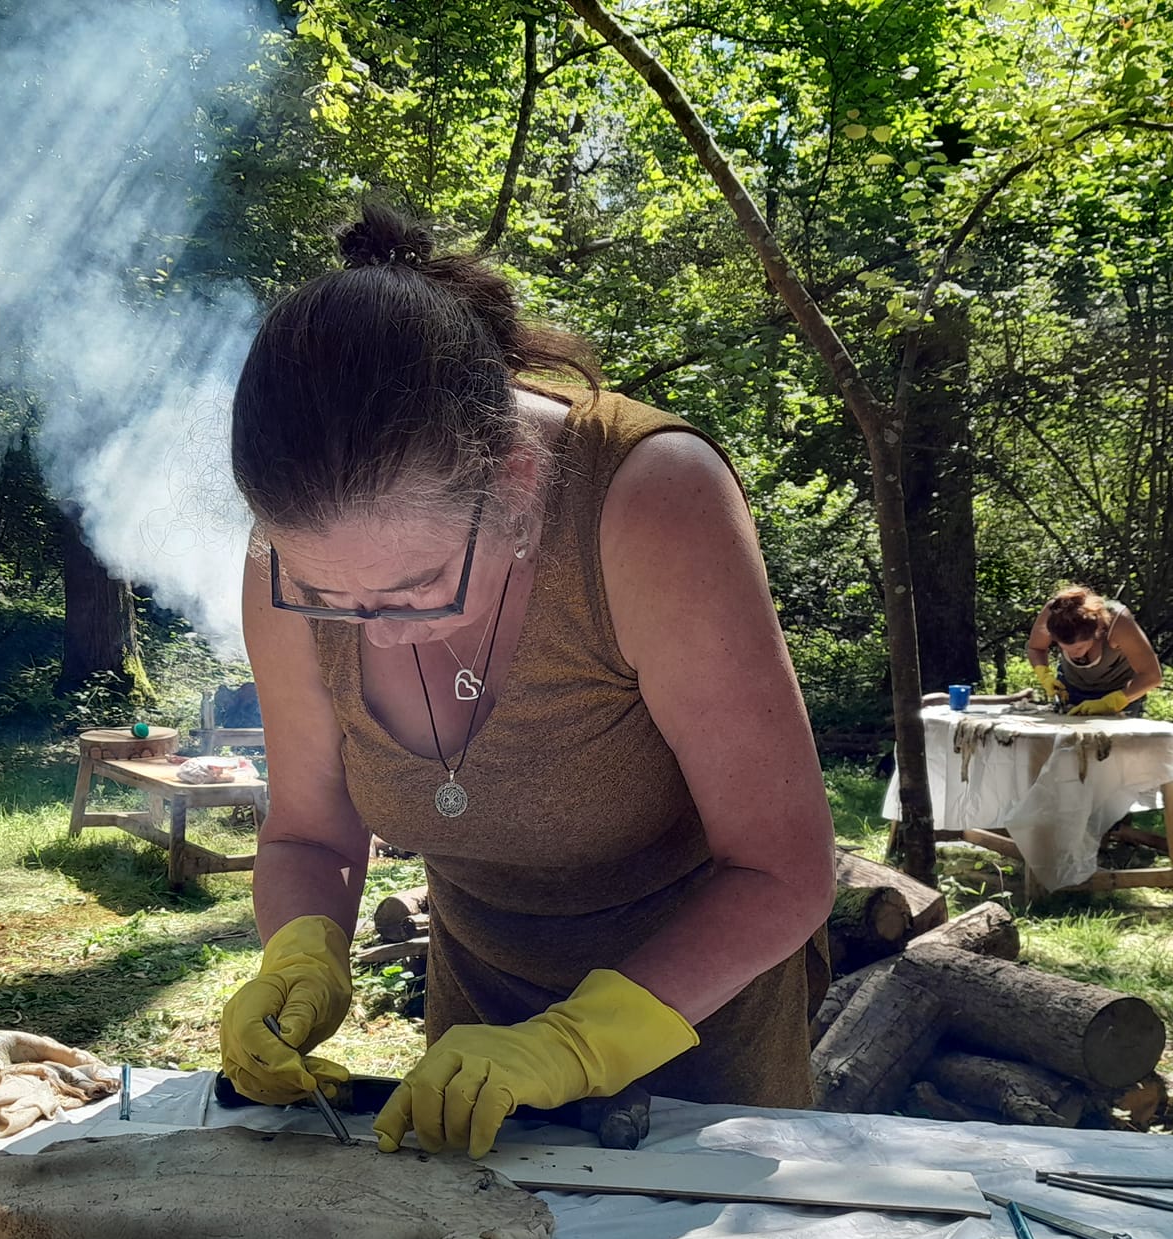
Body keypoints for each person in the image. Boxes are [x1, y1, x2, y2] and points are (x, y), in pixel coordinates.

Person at [218, 205, 837, 1159]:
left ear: (514, 481)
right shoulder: (291, 562)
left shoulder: (650, 501)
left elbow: (781, 870)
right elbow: (309, 826)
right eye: (329, 599)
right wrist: (301, 950)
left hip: (701, 1029)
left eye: (419, 587)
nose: (374, 629)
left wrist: (579, 1046)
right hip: (475, 1023)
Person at [1027, 585, 1163, 717]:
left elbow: (1152, 676)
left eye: (1079, 648)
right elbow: (1036, 648)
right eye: (1063, 647)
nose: (1073, 654)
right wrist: (1044, 675)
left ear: (1096, 633)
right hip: (1069, 688)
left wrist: (1112, 702)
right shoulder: (1054, 613)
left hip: (1119, 693)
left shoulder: (1119, 622)